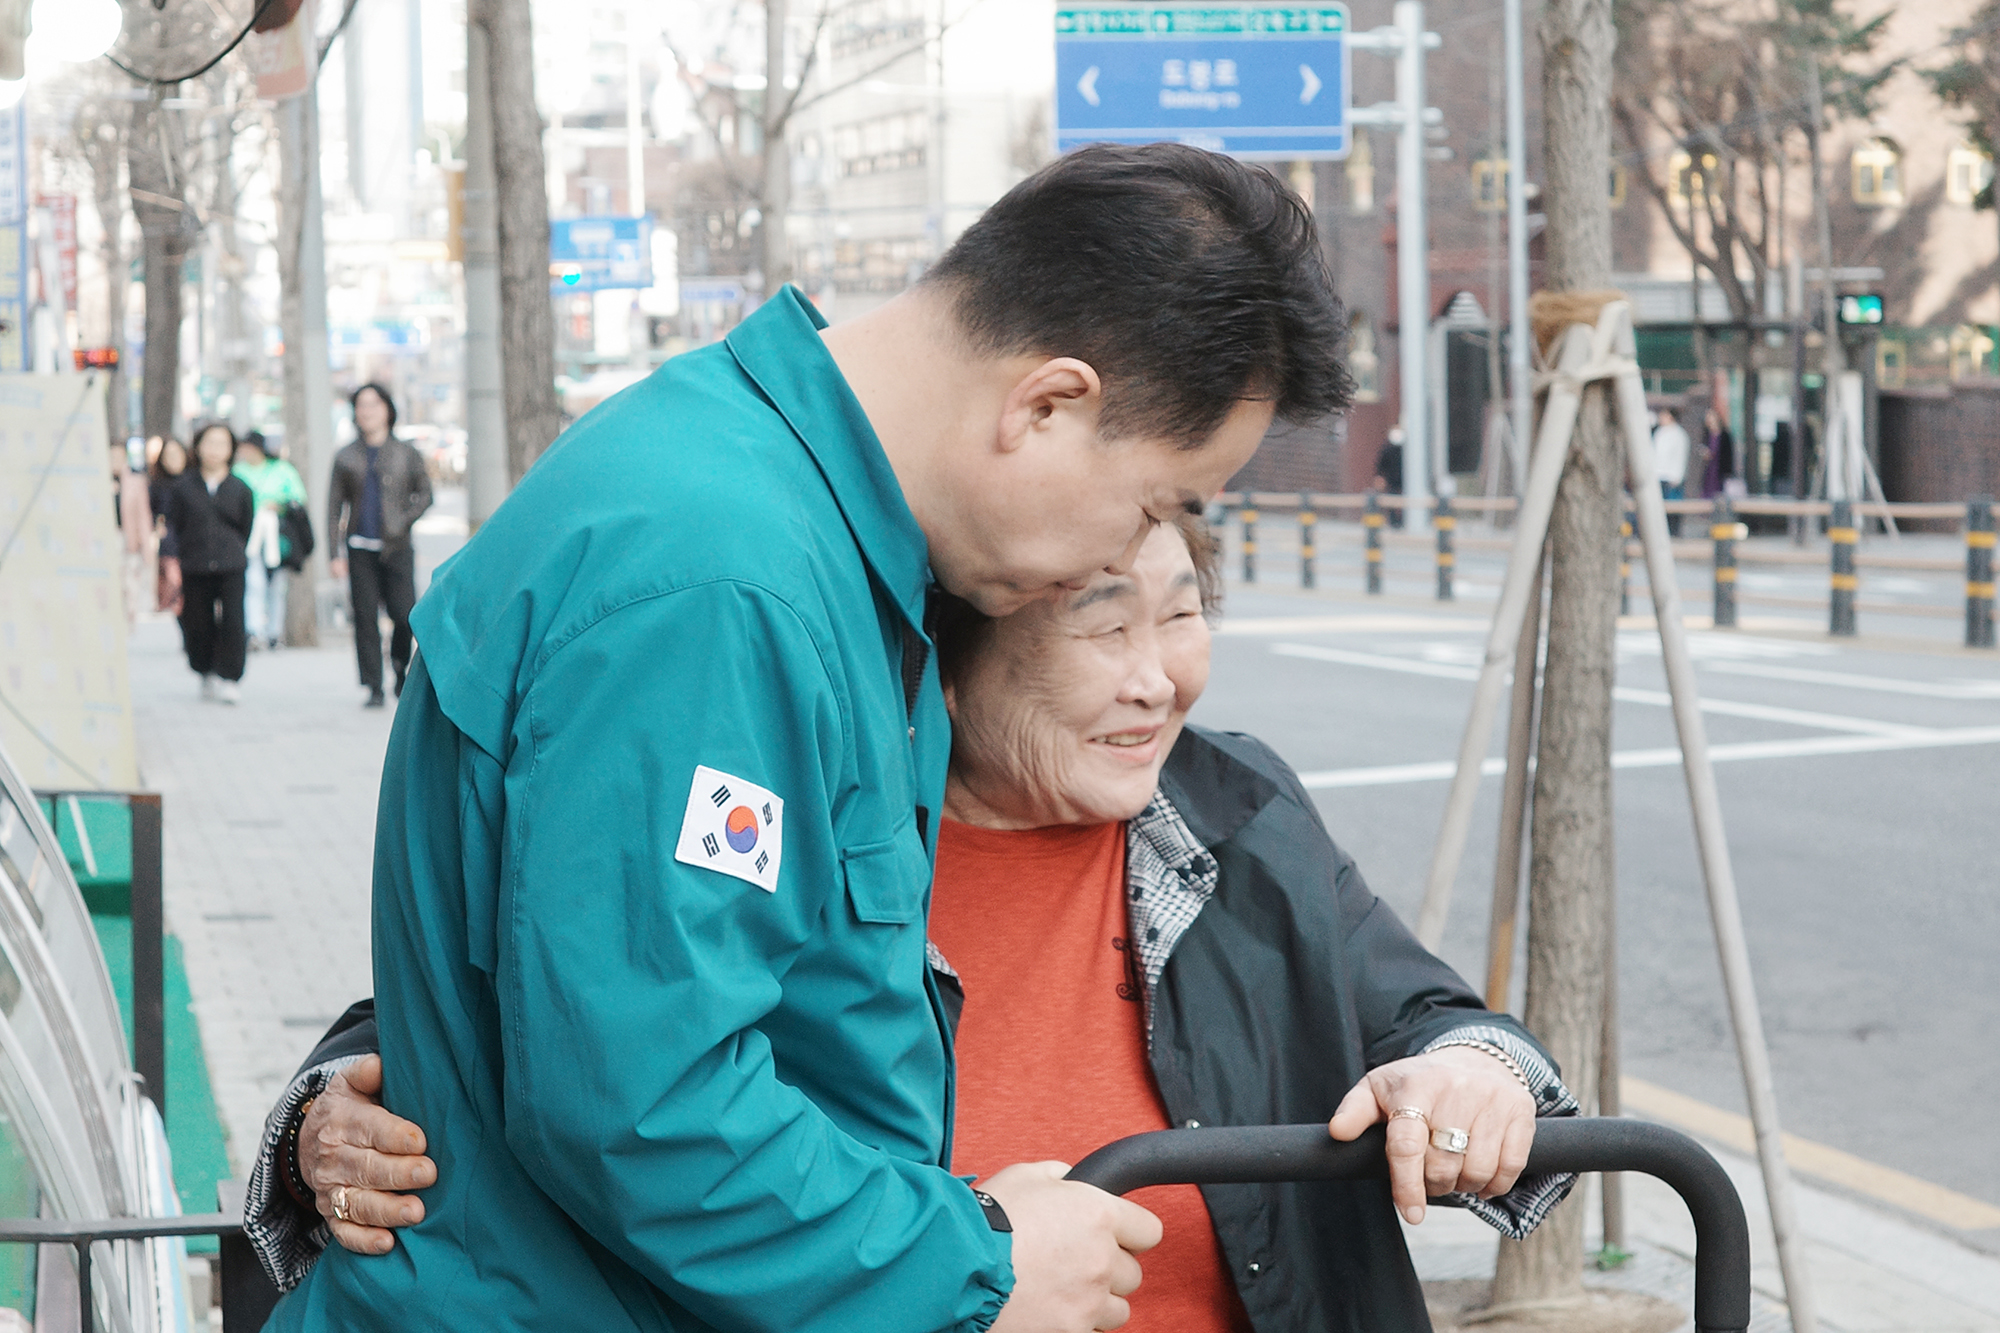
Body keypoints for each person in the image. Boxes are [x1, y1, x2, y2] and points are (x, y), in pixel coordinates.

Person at [251, 144, 1349, 1333]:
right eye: (1146, 503)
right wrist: (977, 1263)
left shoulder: (781, 518)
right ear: (1046, 404)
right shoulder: (724, 583)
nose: (1120, 554)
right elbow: (639, 1097)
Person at [249, 517, 1576, 1330]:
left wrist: (1472, 1073)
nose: (1160, 676)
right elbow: (555, 991)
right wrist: (326, 1118)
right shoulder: (814, 818)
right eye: (1105, 629)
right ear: (956, 649)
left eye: (1184, 616)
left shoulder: (1233, 810)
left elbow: (1436, 1017)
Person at [326, 384, 432, 707]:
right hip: (359, 548)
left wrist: (402, 520)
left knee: (404, 614)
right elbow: (333, 508)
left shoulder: (407, 453)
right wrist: (335, 553)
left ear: (387, 409)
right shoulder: (346, 456)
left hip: (397, 547)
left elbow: (425, 495)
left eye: (373, 404)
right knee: (365, 618)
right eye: (361, 405)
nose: (367, 411)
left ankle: (400, 670)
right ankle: (372, 684)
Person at [168, 422, 254, 704]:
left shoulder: (240, 488)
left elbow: (245, 526)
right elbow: (174, 524)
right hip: (195, 563)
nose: (215, 450)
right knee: (197, 622)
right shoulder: (183, 487)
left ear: (231, 449)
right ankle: (204, 670)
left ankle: (231, 677)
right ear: (198, 447)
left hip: (231, 564)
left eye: (222, 444)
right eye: (210, 443)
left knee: (233, 620)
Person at [234, 429, 308, 651]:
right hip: (249, 535)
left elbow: (298, 497)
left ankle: (275, 632)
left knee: (277, 584)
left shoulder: (281, 469)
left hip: (279, 534)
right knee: (253, 582)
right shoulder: (239, 471)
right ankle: (254, 630)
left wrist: (280, 505)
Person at [148, 435, 189, 616]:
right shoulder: (157, 484)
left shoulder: (193, 482)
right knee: (173, 578)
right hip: (170, 539)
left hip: (192, 539)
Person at [1652, 407, 1691, 535]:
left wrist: (1677, 475)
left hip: (1671, 476)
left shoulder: (1679, 434)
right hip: (1659, 474)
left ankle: (1674, 532)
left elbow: (1680, 456)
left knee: (1673, 506)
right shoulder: (1660, 432)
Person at [1699, 407, 1737, 499]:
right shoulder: (1706, 434)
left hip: (1720, 470)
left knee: (1719, 493)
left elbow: (1728, 455)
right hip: (1709, 469)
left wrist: (1729, 471)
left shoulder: (1725, 435)